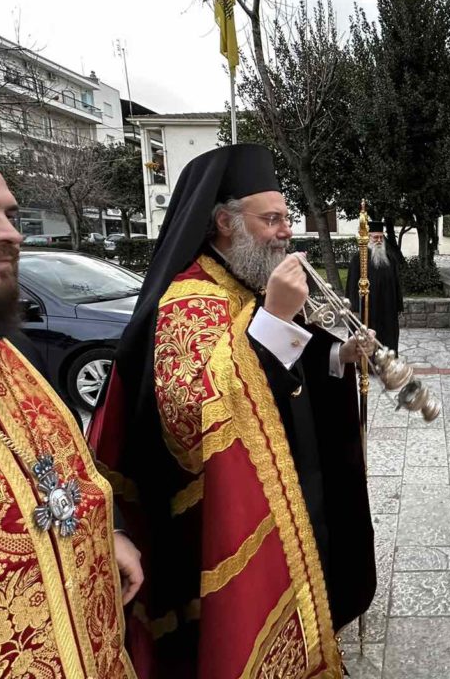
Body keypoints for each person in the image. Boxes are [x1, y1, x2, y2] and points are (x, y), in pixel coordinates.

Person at [89, 144, 376, 678]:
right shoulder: (187, 298)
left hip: (290, 484)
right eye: (271, 220)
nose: (285, 232)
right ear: (225, 223)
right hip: (219, 518)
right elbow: (193, 421)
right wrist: (275, 319)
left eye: (286, 218)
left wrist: (338, 356)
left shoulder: (248, 280)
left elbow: (292, 364)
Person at [0, 59, 138, 678]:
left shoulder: (3, 355)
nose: (10, 235)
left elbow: (53, 478)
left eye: (8, 214)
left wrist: (105, 534)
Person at [345, 220, 403, 355]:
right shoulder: (358, 259)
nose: (379, 241)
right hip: (367, 309)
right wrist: (354, 308)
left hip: (387, 310)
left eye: (381, 238)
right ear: (368, 238)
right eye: (375, 237)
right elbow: (352, 285)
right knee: (366, 338)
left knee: (388, 338)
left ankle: (387, 360)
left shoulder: (390, 259)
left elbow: (397, 284)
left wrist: (399, 306)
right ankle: (365, 363)